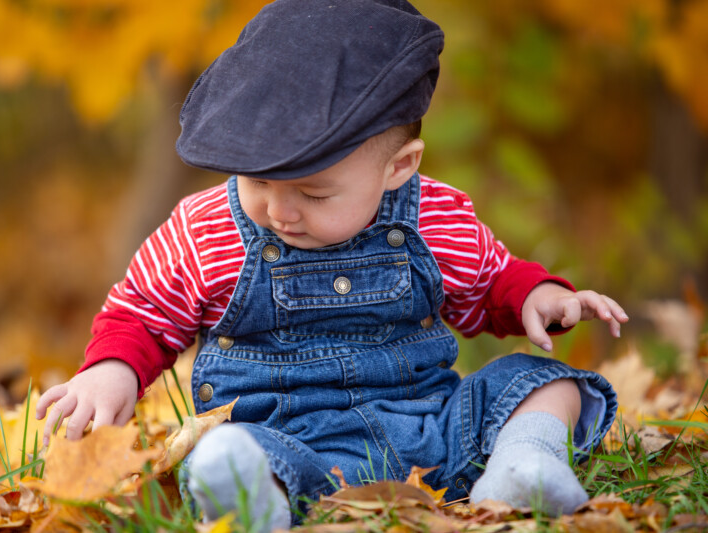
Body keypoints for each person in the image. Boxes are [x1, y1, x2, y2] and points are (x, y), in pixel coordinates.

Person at [36, 0, 627, 530]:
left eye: (315, 194)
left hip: (431, 430)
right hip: (287, 439)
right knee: (229, 450)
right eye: (259, 180)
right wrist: (110, 370)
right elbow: (144, 310)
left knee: (547, 383)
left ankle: (523, 465)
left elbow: (490, 281)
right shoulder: (207, 228)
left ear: (399, 167)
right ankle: (253, 498)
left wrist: (537, 295)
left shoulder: (433, 215)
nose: (280, 211)